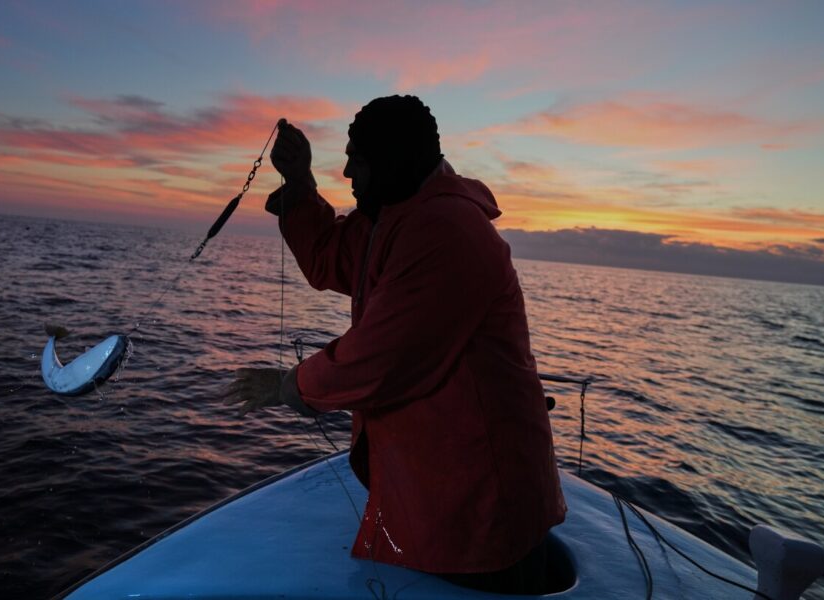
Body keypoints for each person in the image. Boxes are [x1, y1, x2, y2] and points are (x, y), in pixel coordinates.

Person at [222, 95, 566, 594]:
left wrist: (287, 386)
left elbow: (379, 359)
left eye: (356, 159)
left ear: (392, 161)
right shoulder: (393, 218)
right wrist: (298, 181)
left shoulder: (447, 233)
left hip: (482, 513)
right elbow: (328, 258)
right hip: (442, 496)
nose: (345, 172)